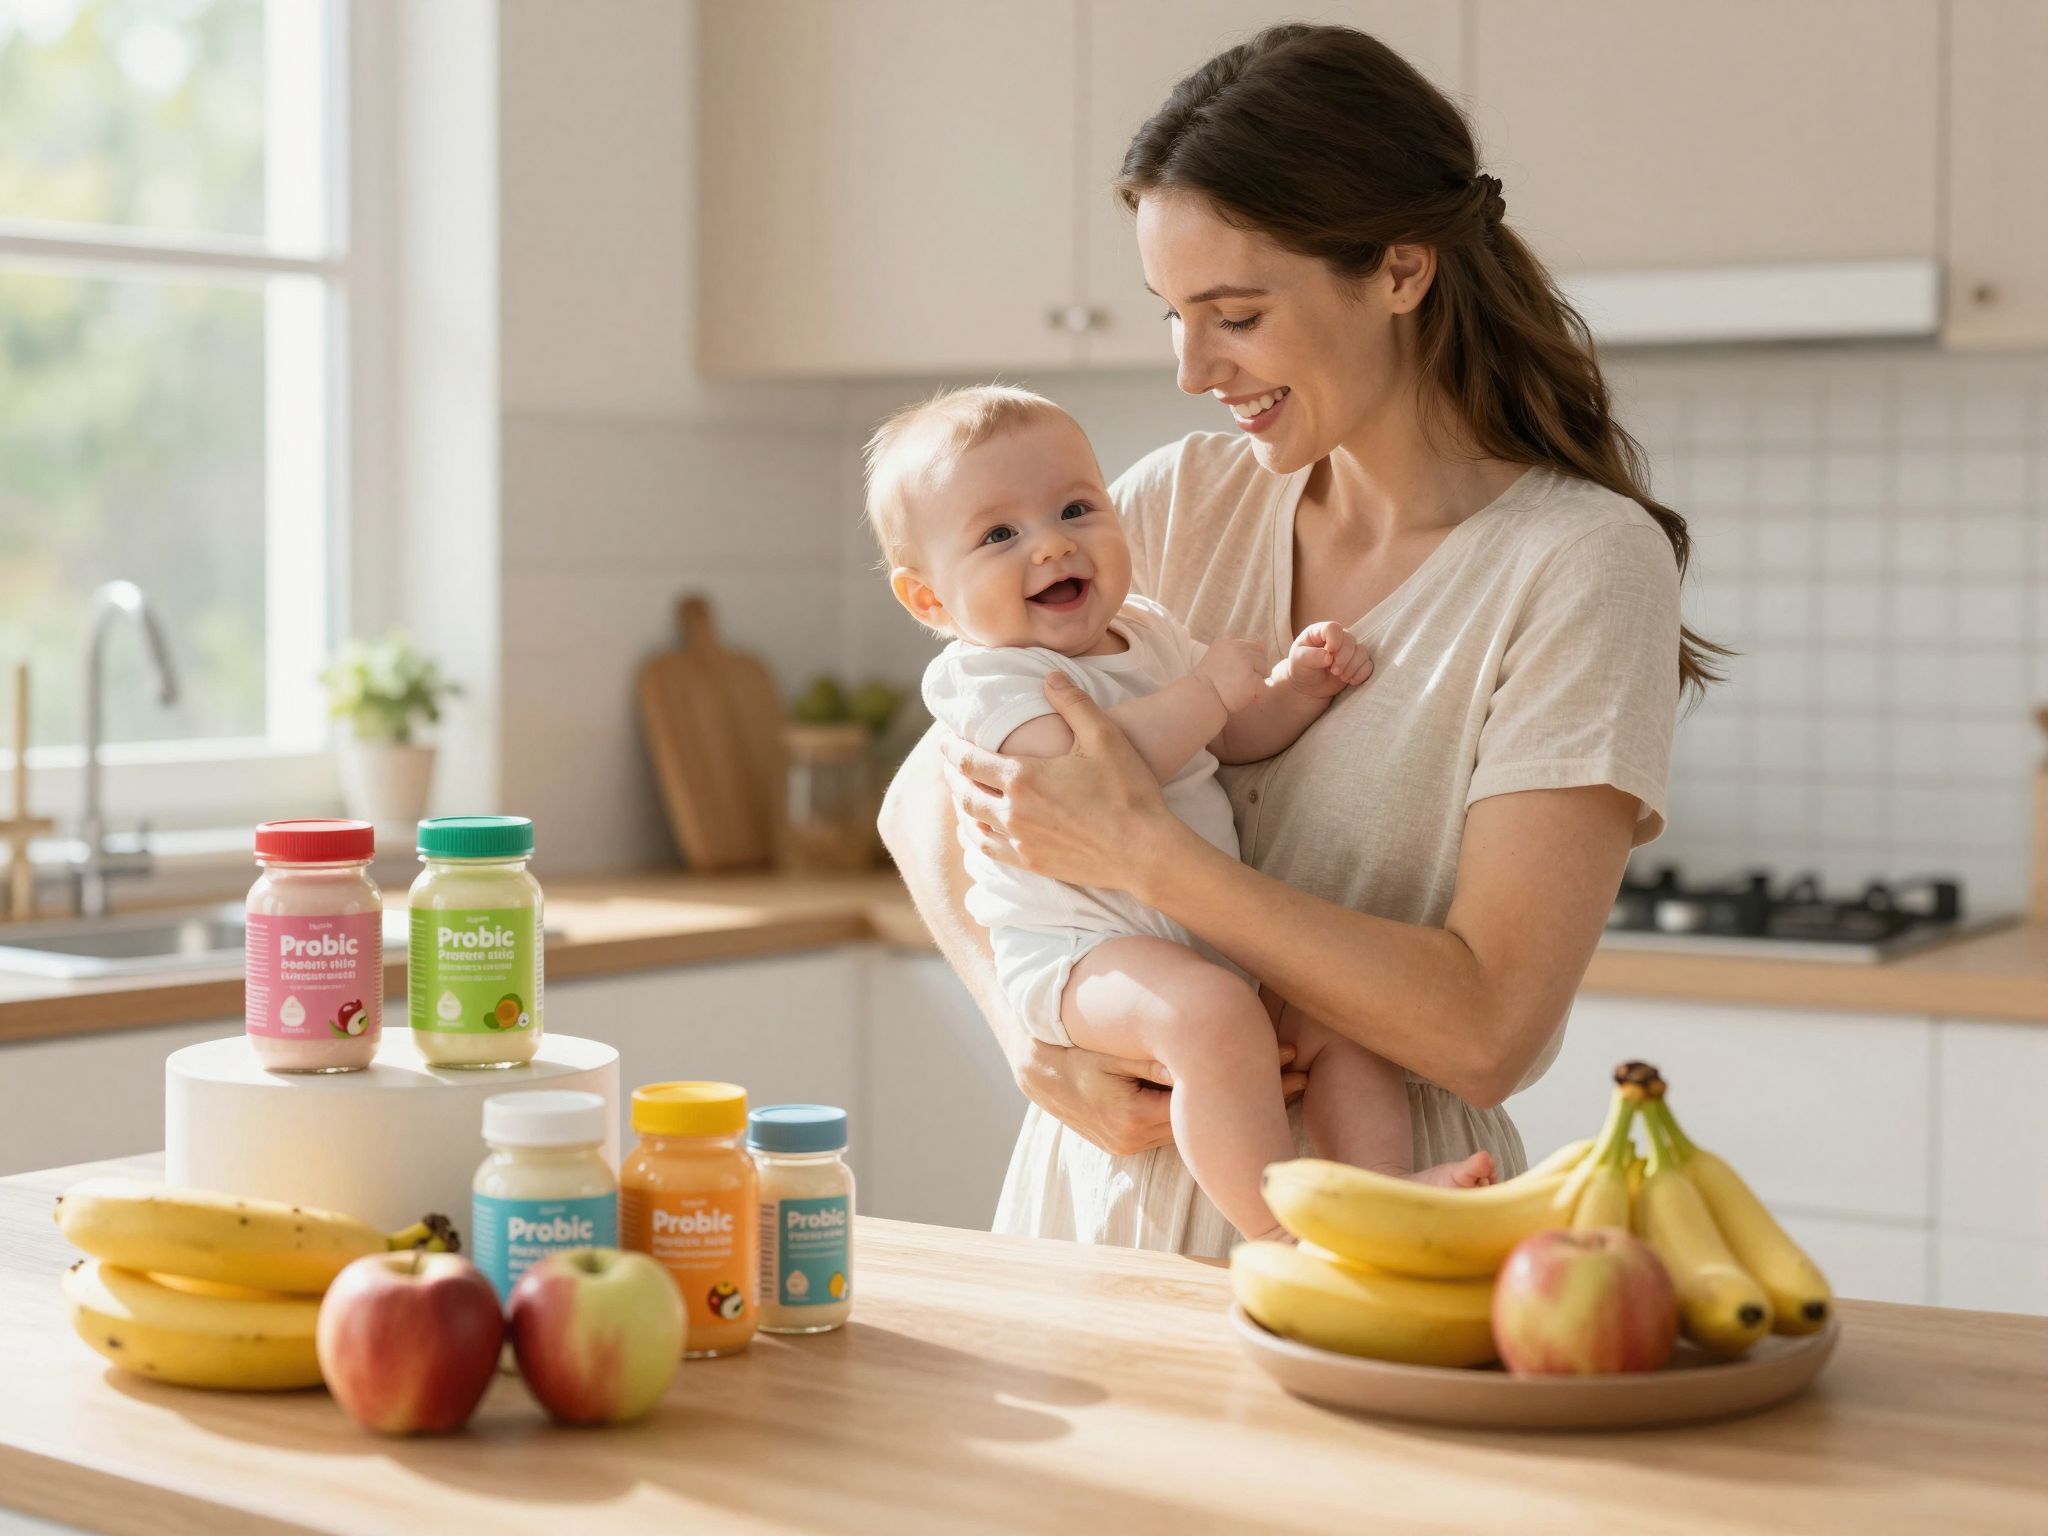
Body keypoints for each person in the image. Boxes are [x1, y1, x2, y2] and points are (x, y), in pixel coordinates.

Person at [880, 23, 1716, 1258]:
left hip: (1388, 1215)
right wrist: (1030, 1039)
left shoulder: (1578, 565)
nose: (1188, 368)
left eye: (1233, 314)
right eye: (1171, 315)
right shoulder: (1176, 502)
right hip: (1099, 1212)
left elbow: (1490, 1028)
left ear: (1398, 270)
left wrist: (1151, 858)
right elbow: (923, 804)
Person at [865, 384, 1494, 1244]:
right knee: (1210, 1017)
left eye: (1077, 508)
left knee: (1341, 1020)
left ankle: (1381, 1195)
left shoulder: (1148, 632)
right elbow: (1092, 780)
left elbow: (1233, 740)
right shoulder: (987, 678)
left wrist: (1293, 690)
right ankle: (1277, 1231)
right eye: (999, 534)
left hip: (1202, 947)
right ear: (929, 601)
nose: (1051, 543)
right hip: (1082, 959)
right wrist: (1205, 691)